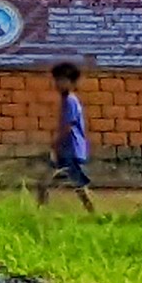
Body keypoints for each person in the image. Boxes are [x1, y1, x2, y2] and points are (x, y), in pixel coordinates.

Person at [41, 60, 96, 209]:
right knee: (48, 181)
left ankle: (93, 211)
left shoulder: (71, 100)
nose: (58, 84)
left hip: (71, 149)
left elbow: (68, 125)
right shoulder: (66, 100)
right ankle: (40, 209)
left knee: (77, 185)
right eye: (57, 80)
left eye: (62, 80)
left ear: (71, 83)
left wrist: (56, 142)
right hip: (66, 149)